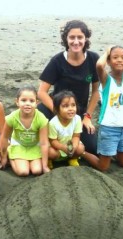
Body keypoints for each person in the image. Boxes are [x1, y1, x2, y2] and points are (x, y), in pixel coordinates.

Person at [82, 46, 123, 172]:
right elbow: (99, 66)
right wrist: (107, 52)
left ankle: (110, 151)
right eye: (115, 57)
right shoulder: (106, 79)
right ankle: (81, 152)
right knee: (103, 167)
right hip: (109, 128)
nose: (119, 60)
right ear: (108, 61)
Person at [37, 20, 100, 154]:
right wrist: (57, 111)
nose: (76, 42)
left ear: (86, 38)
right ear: (66, 39)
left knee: (93, 148)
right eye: (72, 37)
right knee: (35, 129)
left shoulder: (93, 59)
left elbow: (96, 92)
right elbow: (41, 92)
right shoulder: (57, 61)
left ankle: (77, 149)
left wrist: (88, 117)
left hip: (77, 112)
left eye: (80, 37)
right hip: (55, 108)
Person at [0, 85, 50, 176]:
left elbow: (44, 143)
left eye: (31, 101)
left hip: (34, 146)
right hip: (18, 145)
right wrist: (4, 156)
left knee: (37, 171)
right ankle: (11, 154)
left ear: (36, 103)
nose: (27, 104)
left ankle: (29, 162)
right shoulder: (12, 117)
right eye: (23, 100)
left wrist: (45, 166)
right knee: (23, 172)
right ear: (17, 102)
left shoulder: (41, 118)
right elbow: (4, 137)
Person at [47, 90, 85, 168]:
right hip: (58, 149)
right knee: (50, 152)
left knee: (80, 148)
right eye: (65, 106)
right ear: (57, 109)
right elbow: (53, 141)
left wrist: (74, 146)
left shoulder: (77, 119)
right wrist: (63, 147)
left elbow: (76, 136)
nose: (70, 109)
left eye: (73, 105)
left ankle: (72, 159)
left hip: (70, 148)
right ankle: (50, 160)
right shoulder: (53, 123)